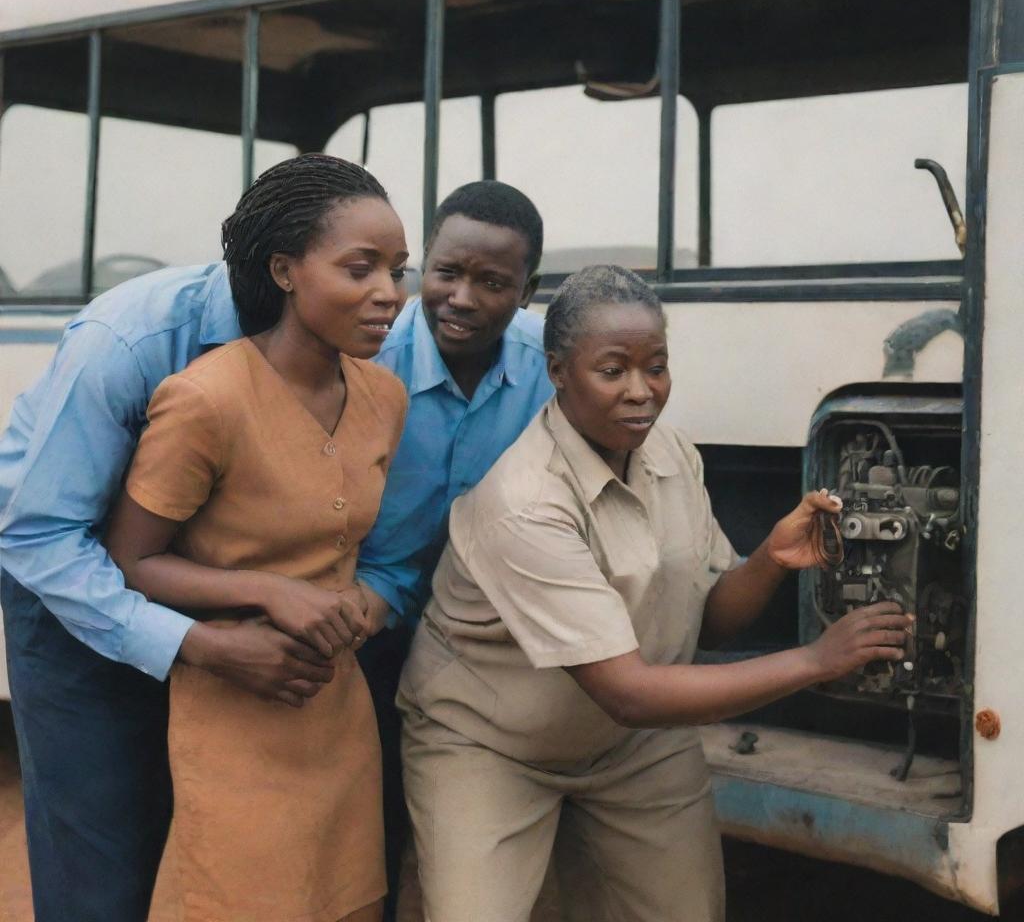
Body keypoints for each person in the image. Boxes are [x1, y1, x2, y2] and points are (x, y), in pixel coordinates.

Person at [398, 265, 913, 922]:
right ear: (558, 372)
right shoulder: (525, 502)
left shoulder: (670, 452)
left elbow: (709, 623)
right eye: (612, 370)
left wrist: (771, 560)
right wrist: (816, 661)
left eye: (657, 367)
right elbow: (629, 691)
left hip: (631, 745)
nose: (642, 392)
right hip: (493, 744)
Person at [0, 154, 392, 921]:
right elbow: (41, 534)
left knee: (209, 851)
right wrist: (198, 644)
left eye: (397, 270)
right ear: (285, 270)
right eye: (361, 267)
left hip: (204, 589)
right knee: (104, 854)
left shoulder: (352, 344)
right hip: (66, 579)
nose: (388, 294)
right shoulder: (133, 340)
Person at [353, 180, 554, 915]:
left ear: (527, 291)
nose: (461, 298)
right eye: (446, 272)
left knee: (457, 833)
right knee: (365, 819)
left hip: (487, 632)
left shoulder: (550, 371)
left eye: (492, 282)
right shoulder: (364, 359)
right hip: (369, 615)